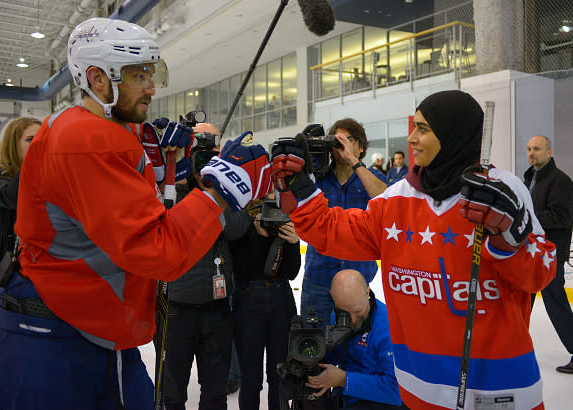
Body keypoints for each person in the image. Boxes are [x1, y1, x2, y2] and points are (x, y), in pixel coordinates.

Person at [0, 17, 271, 410]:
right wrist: (218, 194)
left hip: (76, 326)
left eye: (153, 73)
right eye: (139, 75)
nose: (152, 87)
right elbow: (158, 252)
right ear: (99, 79)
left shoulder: (89, 126)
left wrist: (163, 173)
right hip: (54, 342)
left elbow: (115, 217)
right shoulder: (89, 140)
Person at [272, 90, 556, 409]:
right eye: (414, 126)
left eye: (423, 128)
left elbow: (540, 275)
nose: (411, 137)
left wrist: (508, 238)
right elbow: (333, 231)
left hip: (496, 388)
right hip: (418, 388)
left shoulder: (500, 190)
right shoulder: (398, 197)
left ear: (453, 132)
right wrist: (302, 190)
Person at [157, 122, 250, 410]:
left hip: (217, 310)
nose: (205, 162)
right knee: (172, 394)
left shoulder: (224, 189)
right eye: (200, 154)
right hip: (175, 310)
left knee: (214, 395)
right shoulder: (173, 186)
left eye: (212, 155)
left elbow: (237, 230)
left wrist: (217, 188)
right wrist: (180, 182)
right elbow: (163, 227)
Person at [300, 118, 387, 328]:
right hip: (319, 279)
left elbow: (387, 203)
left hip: (357, 282)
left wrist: (354, 162)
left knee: (355, 350)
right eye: (338, 140)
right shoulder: (316, 181)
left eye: (349, 139)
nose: (343, 145)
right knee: (314, 345)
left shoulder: (371, 177)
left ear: (362, 146)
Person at [229, 196, 301, 410]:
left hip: (281, 298)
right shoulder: (241, 220)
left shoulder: (285, 222)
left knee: (279, 375)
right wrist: (258, 236)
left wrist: (294, 242)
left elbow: (291, 272)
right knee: (250, 378)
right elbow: (240, 269)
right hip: (249, 300)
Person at [306, 269, 404, 410]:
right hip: (345, 396)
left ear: (367, 293)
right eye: (344, 313)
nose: (351, 320)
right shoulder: (337, 316)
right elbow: (331, 356)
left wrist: (344, 379)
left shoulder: (389, 327)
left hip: (379, 402)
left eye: (358, 311)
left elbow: (396, 390)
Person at [0, 117, 41, 328]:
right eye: (31, 140)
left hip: (34, 283)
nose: (37, 145)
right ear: (13, 145)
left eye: (42, 140)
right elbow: (11, 196)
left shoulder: (43, 183)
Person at [524, 135, 573, 374]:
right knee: (523, 300)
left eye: (537, 149)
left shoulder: (560, 181)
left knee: (555, 302)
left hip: (550, 254)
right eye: (529, 149)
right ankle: (514, 348)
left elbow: (562, 218)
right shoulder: (530, 178)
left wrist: (528, 219)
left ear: (549, 152)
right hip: (531, 252)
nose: (531, 153)